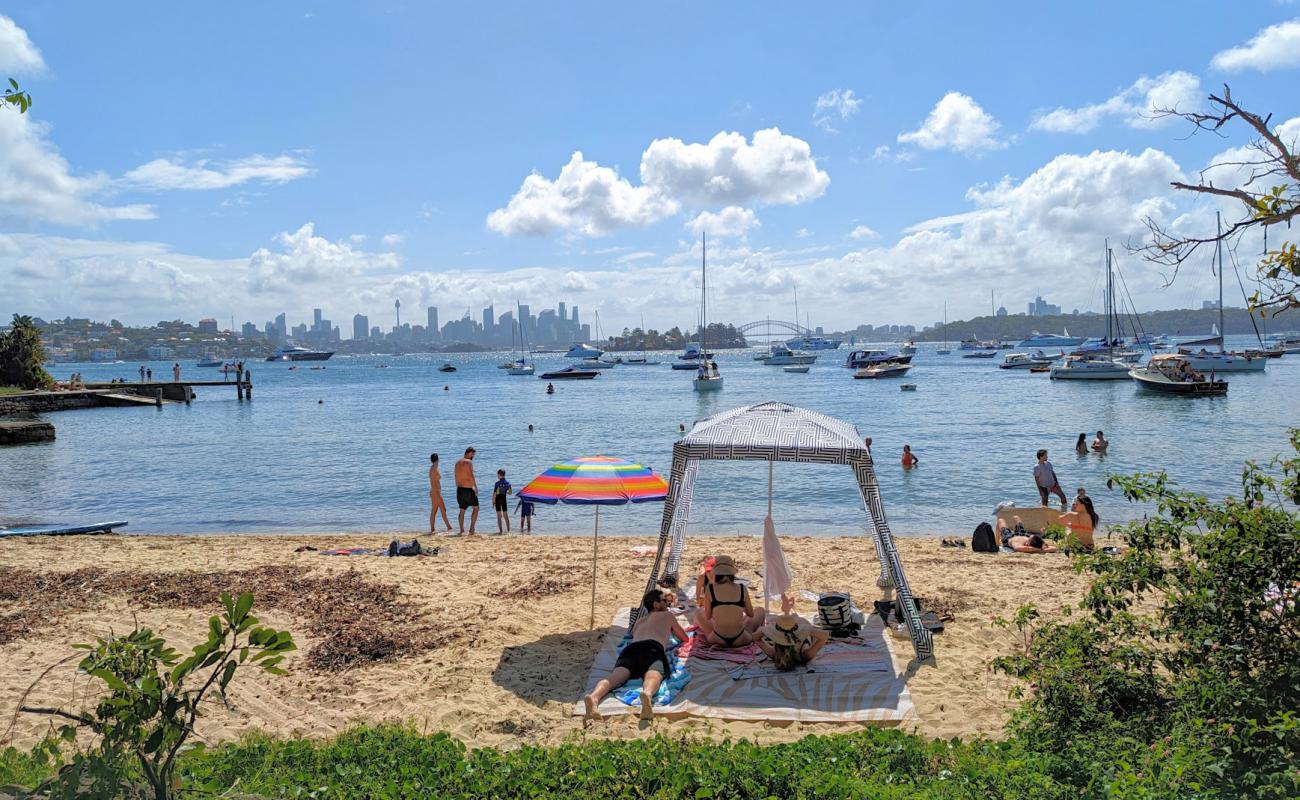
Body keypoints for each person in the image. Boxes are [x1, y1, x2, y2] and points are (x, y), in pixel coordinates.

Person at [584, 590, 687, 721]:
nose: (667, 603)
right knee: (653, 675)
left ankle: (594, 697)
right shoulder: (667, 615)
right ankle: (647, 694)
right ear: (656, 604)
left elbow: (633, 634)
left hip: (630, 650)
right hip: (652, 648)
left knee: (614, 678)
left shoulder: (639, 621)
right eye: (664, 601)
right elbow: (684, 638)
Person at [694, 558, 763, 647]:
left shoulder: (710, 589)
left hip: (717, 639)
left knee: (699, 612)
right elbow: (750, 614)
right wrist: (738, 605)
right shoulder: (742, 588)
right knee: (760, 610)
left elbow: (708, 616)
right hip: (741, 639)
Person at [755, 614, 830, 671]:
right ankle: (789, 612)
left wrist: (769, 629)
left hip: (794, 630)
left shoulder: (775, 654)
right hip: (802, 630)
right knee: (797, 618)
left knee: (787, 619)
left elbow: (755, 637)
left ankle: (788, 612)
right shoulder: (805, 655)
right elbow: (825, 636)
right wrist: (803, 629)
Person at [455, 447, 479, 534]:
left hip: (459, 489)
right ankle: (472, 529)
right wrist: (475, 488)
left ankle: (461, 530)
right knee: (476, 508)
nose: (473, 456)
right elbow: (471, 475)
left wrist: (458, 488)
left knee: (462, 510)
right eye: (472, 454)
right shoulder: (468, 462)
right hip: (468, 489)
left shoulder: (457, 463)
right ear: (468, 453)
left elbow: (456, 478)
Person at [428, 453, 452, 534]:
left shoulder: (433, 468)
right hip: (436, 492)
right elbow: (434, 483)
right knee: (443, 509)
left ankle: (432, 529)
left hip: (434, 491)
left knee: (435, 510)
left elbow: (433, 482)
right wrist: (438, 495)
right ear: (438, 459)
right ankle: (449, 527)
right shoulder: (434, 469)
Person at [492, 469, 512, 534]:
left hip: (498, 499)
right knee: (505, 515)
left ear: (499, 475)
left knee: (499, 516)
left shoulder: (497, 483)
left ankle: (500, 531)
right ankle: (509, 530)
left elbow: (494, 494)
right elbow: (510, 493)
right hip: (504, 499)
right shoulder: (507, 483)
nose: (497, 476)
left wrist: (493, 502)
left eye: (497, 475)